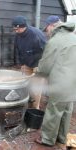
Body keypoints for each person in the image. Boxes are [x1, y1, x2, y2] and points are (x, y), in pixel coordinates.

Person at [35, 15, 76, 149]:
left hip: (60, 83)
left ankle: (47, 139)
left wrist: (38, 72)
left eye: (46, 29)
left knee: (53, 111)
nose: (47, 33)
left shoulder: (55, 41)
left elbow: (46, 65)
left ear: (52, 26)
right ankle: (61, 137)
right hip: (73, 82)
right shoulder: (73, 37)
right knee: (66, 110)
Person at [12, 15, 47, 108]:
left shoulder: (36, 34)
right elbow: (18, 49)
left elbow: (45, 51)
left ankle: (36, 108)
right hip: (26, 64)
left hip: (37, 65)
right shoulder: (18, 36)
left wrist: (39, 66)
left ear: (24, 27)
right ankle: (28, 101)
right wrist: (21, 63)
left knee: (36, 88)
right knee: (25, 84)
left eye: (18, 29)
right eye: (15, 29)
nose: (16, 31)